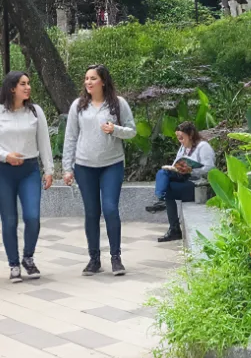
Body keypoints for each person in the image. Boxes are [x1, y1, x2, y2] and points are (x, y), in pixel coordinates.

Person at [62, 65, 136, 275]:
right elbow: (70, 138)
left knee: (110, 209)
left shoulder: (118, 104)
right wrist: (67, 168)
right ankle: (94, 259)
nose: (88, 82)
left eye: (93, 78)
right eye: (86, 78)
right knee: (92, 213)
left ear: (103, 81)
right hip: (85, 166)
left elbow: (132, 131)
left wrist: (115, 129)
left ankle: (116, 258)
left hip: (112, 164)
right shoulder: (78, 106)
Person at [0, 72, 54, 282]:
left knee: (32, 217)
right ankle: (13, 264)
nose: (28, 87)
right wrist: (6, 156)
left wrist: (49, 170)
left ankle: (28, 258)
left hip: (30, 170)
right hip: (4, 171)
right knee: (9, 219)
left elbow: (44, 142)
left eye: (29, 83)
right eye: (23, 84)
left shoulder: (35, 111)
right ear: (12, 88)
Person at [146, 121, 215, 242]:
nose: (180, 141)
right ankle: (162, 201)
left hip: (197, 186)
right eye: (178, 138)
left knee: (168, 190)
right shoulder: (183, 148)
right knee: (162, 173)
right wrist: (176, 168)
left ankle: (173, 228)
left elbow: (210, 168)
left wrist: (192, 170)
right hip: (183, 179)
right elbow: (175, 164)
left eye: (182, 138)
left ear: (191, 134)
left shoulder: (203, 147)